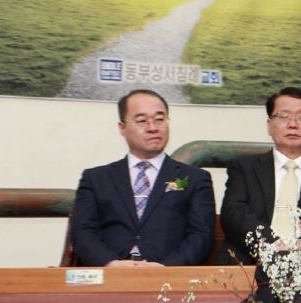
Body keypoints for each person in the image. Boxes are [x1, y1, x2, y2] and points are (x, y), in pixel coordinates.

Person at [71, 89, 215, 266]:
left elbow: (201, 235)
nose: (153, 128)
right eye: (141, 121)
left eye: (160, 119)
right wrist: (111, 264)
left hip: (169, 275)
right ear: (122, 128)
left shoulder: (195, 178)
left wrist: (166, 268)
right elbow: (83, 232)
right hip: (110, 274)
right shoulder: (95, 179)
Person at [219, 86, 301, 263]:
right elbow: (234, 213)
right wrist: (273, 243)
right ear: (269, 125)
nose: (293, 124)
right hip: (249, 261)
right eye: (284, 117)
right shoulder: (244, 168)